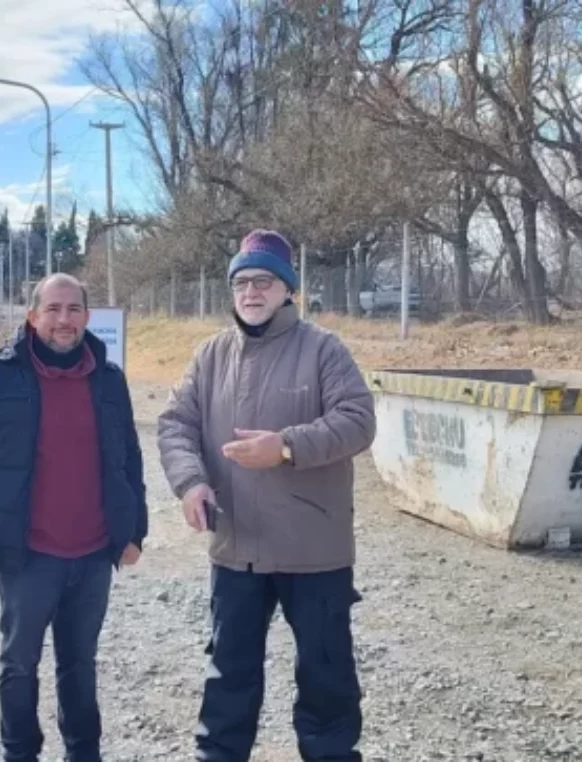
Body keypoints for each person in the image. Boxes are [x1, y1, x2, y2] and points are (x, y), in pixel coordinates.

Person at [156, 229, 377, 762]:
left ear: (287, 290)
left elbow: (358, 421)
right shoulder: (209, 355)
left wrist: (285, 448)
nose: (251, 293)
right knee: (229, 674)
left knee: (327, 678)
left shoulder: (324, 349)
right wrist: (191, 482)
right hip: (237, 547)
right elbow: (175, 424)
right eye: (241, 283)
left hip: (313, 550)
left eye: (263, 281)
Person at [0, 273, 147, 762]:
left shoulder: (109, 380)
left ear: (88, 317)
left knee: (79, 665)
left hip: (92, 555)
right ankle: (19, 753)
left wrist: (134, 531)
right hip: (25, 555)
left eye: (74, 309)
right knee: (19, 665)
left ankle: (83, 753)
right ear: (32, 316)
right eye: (53, 309)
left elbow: (129, 458)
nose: (64, 320)